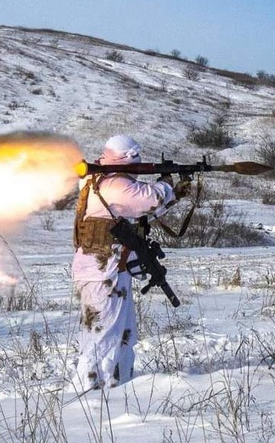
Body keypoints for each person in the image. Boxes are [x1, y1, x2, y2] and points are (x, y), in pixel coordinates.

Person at [71, 135, 189, 390]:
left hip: (110, 268)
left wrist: (173, 194)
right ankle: (89, 392)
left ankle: (117, 384)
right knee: (102, 335)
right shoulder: (114, 185)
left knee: (122, 334)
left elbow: (141, 208)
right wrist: (167, 183)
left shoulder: (96, 179)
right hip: (102, 271)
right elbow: (149, 199)